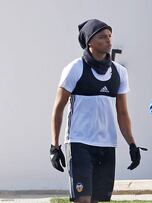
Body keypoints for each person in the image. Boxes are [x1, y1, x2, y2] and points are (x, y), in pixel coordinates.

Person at [50, 19, 147, 203]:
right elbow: (58, 108)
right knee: (83, 200)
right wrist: (54, 146)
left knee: (97, 201)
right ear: (90, 42)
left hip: (107, 145)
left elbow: (123, 113)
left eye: (110, 36)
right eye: (102, 37)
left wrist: (132, 144)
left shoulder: (119, 72)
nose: (109, 40)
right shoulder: (74, 69)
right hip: (79, 143)